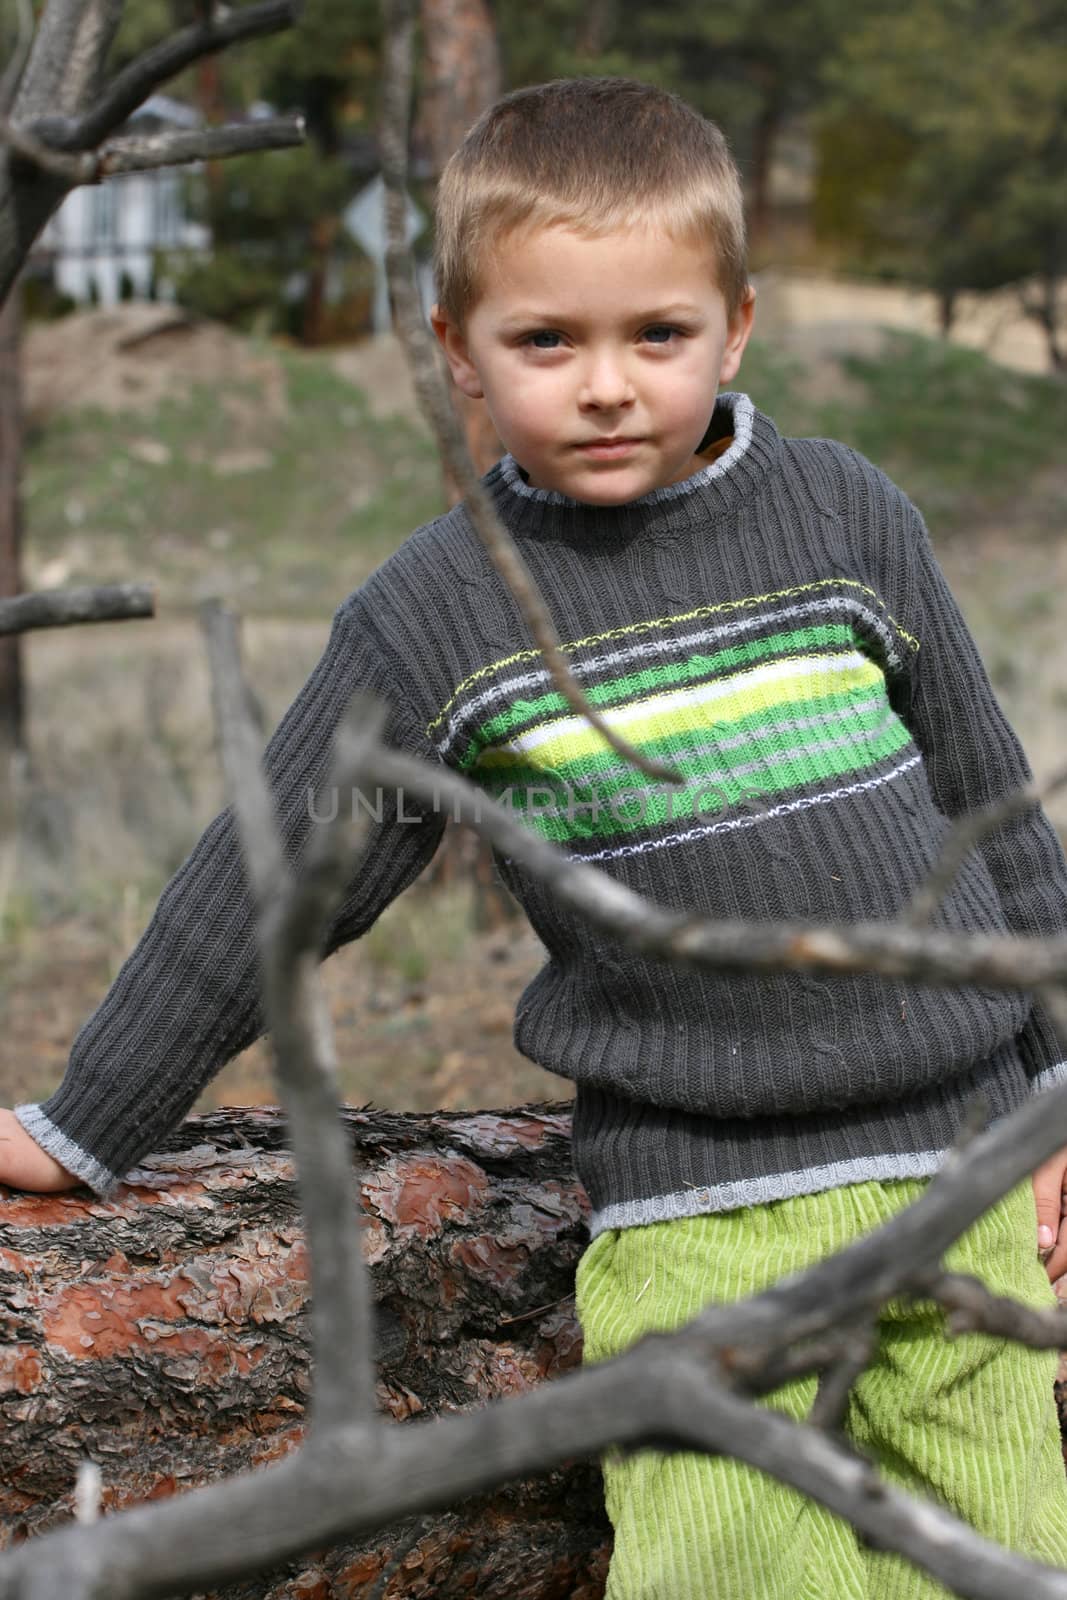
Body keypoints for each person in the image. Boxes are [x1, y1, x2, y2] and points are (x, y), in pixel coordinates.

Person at [3, 74, 1067, 1597]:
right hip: (703, 1227)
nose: (610, 385)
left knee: (1003, 1560)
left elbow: (995, 812)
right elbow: (266, 883)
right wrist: (83, 1122)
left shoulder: (846, 514)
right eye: (546, 342)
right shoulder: (442, 617)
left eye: (658, 335)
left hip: (959, 1178)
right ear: (459, 354)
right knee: (726, 1574)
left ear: (738, 326)